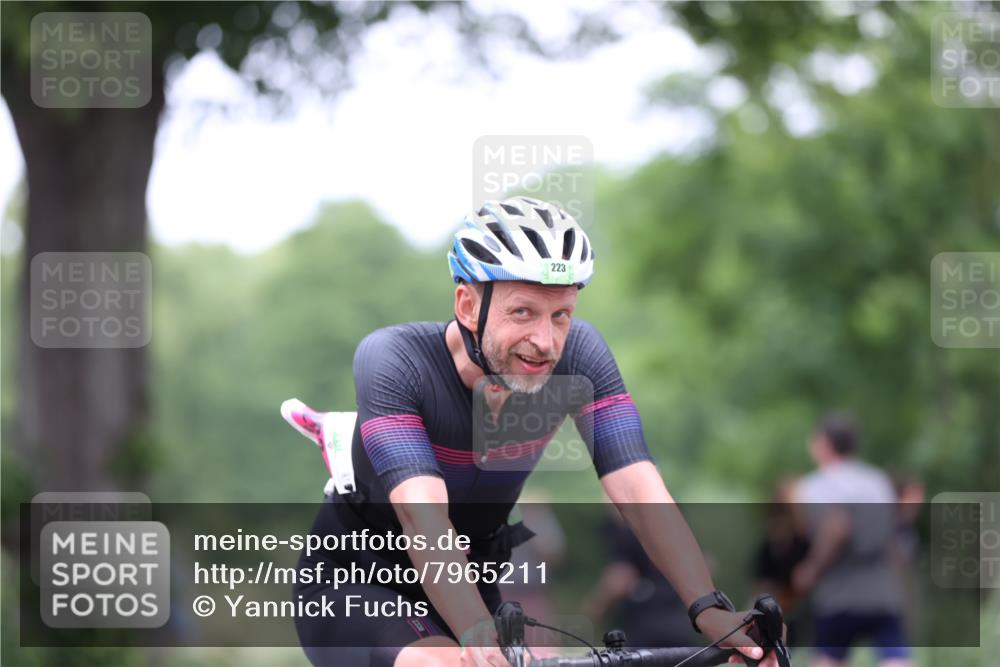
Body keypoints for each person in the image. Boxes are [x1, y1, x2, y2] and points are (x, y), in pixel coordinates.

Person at [293, 196, 781, 667]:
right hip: (359, 579)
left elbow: (638, 488)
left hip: (472, 580)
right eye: (523, 312)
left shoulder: (580, 357)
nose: (545, 342)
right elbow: (423, 519)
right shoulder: (394, 360)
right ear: (467, 305)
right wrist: (477, 633)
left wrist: (708, 608)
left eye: (560, 315)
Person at [791, 414, 912, 667]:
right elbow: (894, 534)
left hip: (838, 594)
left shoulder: (816, 485)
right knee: (895, 658)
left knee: (828, 659)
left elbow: (837, 528)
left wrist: (812, 567)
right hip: (882, 590)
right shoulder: (878, 481)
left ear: (825, 443)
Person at [584, 507, 698, 648]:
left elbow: (620, 578)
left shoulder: (622, 532)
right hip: (680, 622)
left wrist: (595, 608)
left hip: (645, 625)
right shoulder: (670, 524)